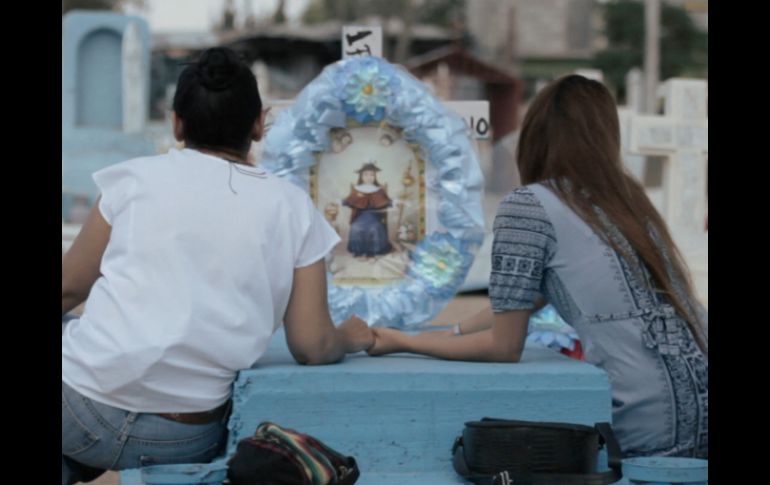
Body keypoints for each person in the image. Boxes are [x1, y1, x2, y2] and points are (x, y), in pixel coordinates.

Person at [62, 47, 373, 485]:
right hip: (183, 435)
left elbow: (68, 289)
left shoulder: (132, 180)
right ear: (259, 124)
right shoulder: (292, 208)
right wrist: (350, 337)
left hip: (79, 411)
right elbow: (313, 344)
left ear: (176, 122)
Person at [367, 75, 708, 459]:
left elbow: (504, 346)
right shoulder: (628, 202)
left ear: (536, 136)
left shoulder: (529, 205)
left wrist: (402, 341)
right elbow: (523, 299)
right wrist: (452, 330)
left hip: (647, 425)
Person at [342, 162, 393, 259]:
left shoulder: (379, 190)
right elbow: (349, 201)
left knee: (375, 228)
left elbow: (386, 201)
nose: (369, 177)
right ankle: (359, 251)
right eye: (366, 175)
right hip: (360, 216)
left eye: (371, 175)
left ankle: (372, 252)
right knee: (356, 227)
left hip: (374, 216)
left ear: (375, 176)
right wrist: (342, 201)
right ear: (361, 176)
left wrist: (395, 203)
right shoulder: (356, 189)